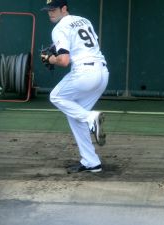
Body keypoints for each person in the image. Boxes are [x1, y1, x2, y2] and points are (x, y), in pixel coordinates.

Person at [41, 0, 109, 173]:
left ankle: (91, 117)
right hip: (102, 73)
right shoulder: (84, 20)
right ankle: (91, 162)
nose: (50, 12)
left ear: (64, 8)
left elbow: (64, 61)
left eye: (54, 9)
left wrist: (50, 59)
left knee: (56, 96)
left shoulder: (59, 28)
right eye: (48, 9)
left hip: (84, 74)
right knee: (75, 116)